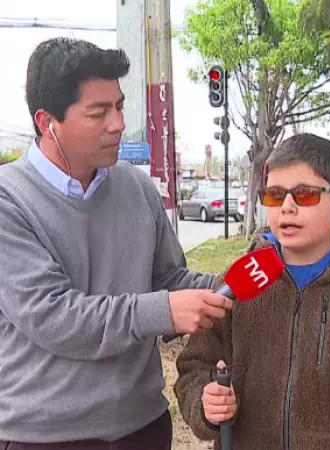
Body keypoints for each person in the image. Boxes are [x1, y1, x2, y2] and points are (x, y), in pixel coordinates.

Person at [0, 38, 233, 449]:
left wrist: (237, 283)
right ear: (46, 121)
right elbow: (53, 316)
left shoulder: (135, 187)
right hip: (44, 435)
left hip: (143, 426)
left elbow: (168, 279)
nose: (118, 124)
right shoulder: (10, 200)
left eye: (120, 107)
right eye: (98, 112)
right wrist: (163, 311)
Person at [175, 133, 330, 450]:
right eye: (275, 195)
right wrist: (205, 402)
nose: (287, 208)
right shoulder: (238, 284)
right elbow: (194, 367)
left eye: (304, 195)